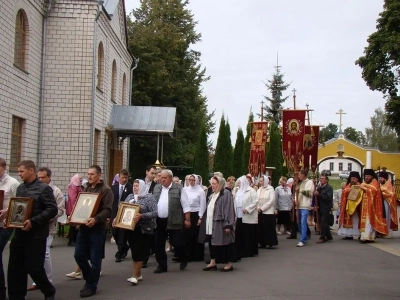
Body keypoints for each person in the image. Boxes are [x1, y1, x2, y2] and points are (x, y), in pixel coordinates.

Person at [7, 160, 58, 300]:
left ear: (31, 171)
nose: (19, 174)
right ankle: (16, 296)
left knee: (34, 268)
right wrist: (10, 216)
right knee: (15, 268)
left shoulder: (44, 188)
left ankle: (48, 290)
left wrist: (34, 221)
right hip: (19, 234)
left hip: (36, 235)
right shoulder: (20, 188)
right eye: (18, 171)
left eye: (21, 171)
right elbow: (19, 207)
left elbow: (52, 209)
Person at [74, 165, 113, 297]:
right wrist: (74, 216)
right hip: (84, 227)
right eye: (88, 174)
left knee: (95, 259)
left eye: (92, 174)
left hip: (96, 228)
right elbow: (81, 205)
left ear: (99, 175)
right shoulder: (86, 188)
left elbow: (107, 209)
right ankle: (90, 277)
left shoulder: (106, 190)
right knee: (78, 255)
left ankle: (91, 286)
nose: (89, 176)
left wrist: (96, 219)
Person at [27, 167, 65, 291]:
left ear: (49, 177)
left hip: (48, 227)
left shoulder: (56, 191)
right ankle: (38, 280)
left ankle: (47, 280)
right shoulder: (35, 189)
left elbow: (60, 210)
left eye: (43, 177)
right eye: (39, 177)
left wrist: (46, 217)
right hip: (34, 226)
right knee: (35, 253)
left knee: (46, 252)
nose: (41, 179)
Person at [116, 180, 157, 285]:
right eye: (134, 186)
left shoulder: (149, 197)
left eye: (137, 186)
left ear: (142, 187)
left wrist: (142, 216)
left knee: (139, 251)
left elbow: (155, 212)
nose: (135, 188)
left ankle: (135, 276)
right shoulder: (129, 197)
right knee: (134, 251)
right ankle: (138, 274)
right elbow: (122, 209)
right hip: (130, 228)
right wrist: (117, 219)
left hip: (142, 228)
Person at [153, 169, 191, 273]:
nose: (162, 179)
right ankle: (162, 265)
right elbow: (153, 202)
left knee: (176, 242)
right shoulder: (157, 188)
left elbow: (185, 205)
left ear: (170, 178)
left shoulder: (178, 188)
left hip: (174, 220)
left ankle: (183, 257)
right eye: (161, 177)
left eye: (165, 178)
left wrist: (187, 219)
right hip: (159, 220)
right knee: (158, 244)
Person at [199, 176, 235, 272]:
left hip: (220, 223)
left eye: (215, 184)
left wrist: (228, 224)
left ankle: (228, 263)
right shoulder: (213, 194)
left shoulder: (226, 193)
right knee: (212, 242)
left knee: (225, 243)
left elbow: (229, 208)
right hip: (211, 223)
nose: (213, 186)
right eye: (212, 183)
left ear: (220, 184)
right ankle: (213, 261)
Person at [0, 158, 19, 300]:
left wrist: (7, 210)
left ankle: (2, 291)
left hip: (6, 224)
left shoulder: (13, 183)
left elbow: (21, 204)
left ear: (4, 167)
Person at [358, 169, 388, 243]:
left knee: (369, 222)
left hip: (373, 207)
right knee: (365, 222)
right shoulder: (365, 183)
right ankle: (364, 236)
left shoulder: (375, 183)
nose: (366, 178)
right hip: (365, 206)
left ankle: (368, 237)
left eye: (368, 176)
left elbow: (373, 191)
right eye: (365, 176)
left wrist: (364, 187)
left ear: (372, 176)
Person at [234, 175, 258, 259]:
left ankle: (247, 251)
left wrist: (247, 209)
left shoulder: (251, 191)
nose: (239, 184)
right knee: (239, 233)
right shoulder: (238, 191)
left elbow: (255, 202)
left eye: (240, 183)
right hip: (239, 214)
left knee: (247, 234)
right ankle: (239, 250)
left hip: (247, 215)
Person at [111, 169, 132, 263]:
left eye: (126, 177)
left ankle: (119, 254)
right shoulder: (113, 187)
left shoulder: (130, 188)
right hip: (114, 212)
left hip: (125, 213)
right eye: (122, 177)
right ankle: (125, 247)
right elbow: (111, 201)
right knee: (115, 232)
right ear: (119, 177)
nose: (124, 179)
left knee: (122, 235)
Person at [183, 175, 206, 261]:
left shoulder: (200, 191)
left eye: (193, 180)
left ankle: (197, 255)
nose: (191, 182)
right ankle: (187, 255)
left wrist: (200, 217)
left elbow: (202, 204)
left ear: (196, 181)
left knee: (196, 235)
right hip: (187, 213)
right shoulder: (185, 189)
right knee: (187, 235)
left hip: (196, 214)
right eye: (190, 180)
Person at [338, 172, 362, 240]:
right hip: (347, 207)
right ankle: (348, 234)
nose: (353, 180)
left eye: (354, 178)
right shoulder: (348, 185)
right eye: (352, 178)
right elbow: (345, 191)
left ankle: (357, 234)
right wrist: (350, 190)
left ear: (357, 179)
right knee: (348, 220)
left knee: (356, 221)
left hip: (357, 208)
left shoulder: (360, 185)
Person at [257, 175, 278, 248]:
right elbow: (257, 199)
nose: (260, 182)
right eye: (260, 181)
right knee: (261, 227)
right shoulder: (259, 189)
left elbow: (271, 201)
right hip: (260, 211)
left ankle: (270, 242)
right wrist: (258, 208)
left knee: (269, 228)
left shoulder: (271, 189)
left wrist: (262, 208)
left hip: (268, 212)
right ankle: (262, 242)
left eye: (262, 181)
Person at [295, 169, 314, 247]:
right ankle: (305, 237)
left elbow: (310, 193)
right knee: (298, 222)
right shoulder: (300, 183)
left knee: (303, 222)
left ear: (303, 175)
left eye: (300, 174)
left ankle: (302, 240)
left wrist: (300, 190)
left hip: (305, 206)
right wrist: (295, 200)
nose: (299, 176)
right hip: (299, 205)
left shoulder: (310, 182)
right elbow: (297, 193)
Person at [314, 175, 334, 244]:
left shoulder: (329, 188)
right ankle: (328, 235)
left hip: (326, 207)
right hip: (320, 207)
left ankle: (322, 237)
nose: (321, 179)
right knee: (323, 222)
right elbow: (316, 198)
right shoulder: (319, 188)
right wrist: (315, 205)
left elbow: (328, 198)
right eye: (320, 178)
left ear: (326, 180)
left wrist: (319, 194)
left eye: (323, 179)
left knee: (323, 222)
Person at [378, 171, 398, 238]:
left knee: (387, 217)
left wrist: (382, 193)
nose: (380, 179)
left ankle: (388, 233)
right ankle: (382, 231)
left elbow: (391, 194)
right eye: (379, 178)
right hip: (381, 203)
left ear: (385, 178)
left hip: (388, 204)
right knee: (382, 218)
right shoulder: (380, 185)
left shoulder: (389, 185)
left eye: (381, 178)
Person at [66, 174, 82, 246]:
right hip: (73, 208)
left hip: (75, 208)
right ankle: (71, 241)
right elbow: (73, 198)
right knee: (73, 225)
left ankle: (73, 240)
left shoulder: (77, 186)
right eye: (80, 179)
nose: (81, 180)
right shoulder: (73, 186)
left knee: (75, 225)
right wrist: (75, 208)